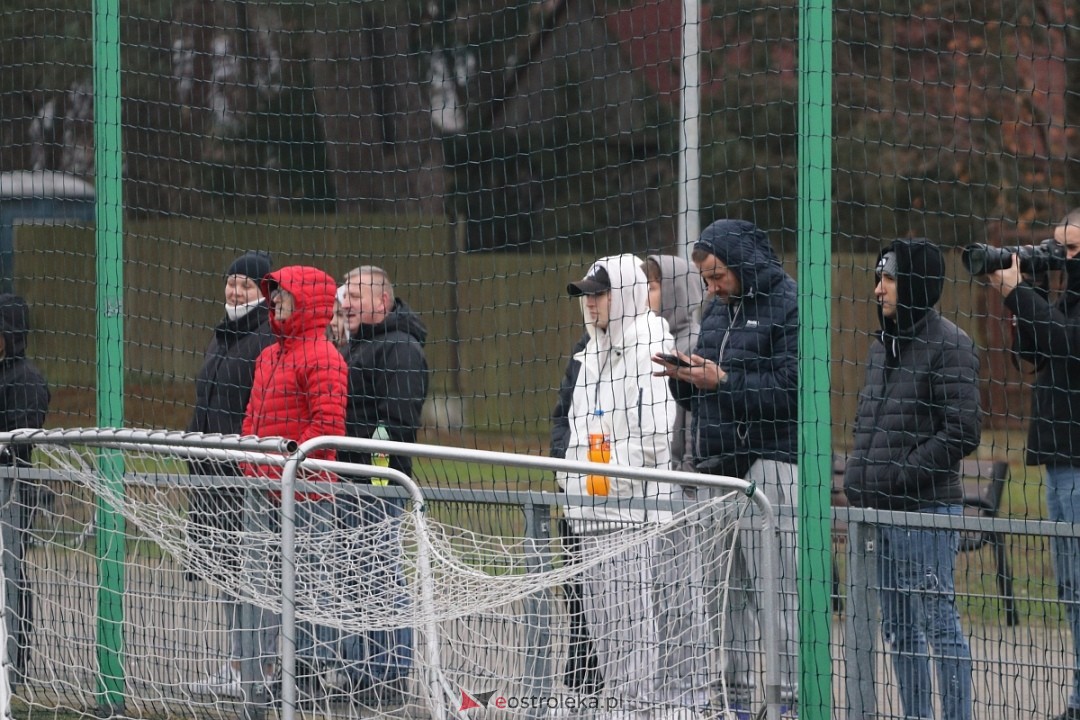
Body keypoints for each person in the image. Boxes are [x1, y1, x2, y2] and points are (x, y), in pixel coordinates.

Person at [652, 219, 799, 717]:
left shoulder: (790, 304)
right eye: (706, 279)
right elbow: (707, 391)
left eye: (717, 275)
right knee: (725, 598)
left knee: (776, 596)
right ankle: (732, 701)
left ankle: (787, 703)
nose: (712, 287)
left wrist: (725, 381)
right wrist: (683, 379)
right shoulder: (716, 310)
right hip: (717, 471)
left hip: (769, 469)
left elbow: (791, 392)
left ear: (742, 264)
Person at [845, 238, 981, 720]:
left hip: (925, 512)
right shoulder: (880, 347)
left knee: (938, 624)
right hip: (880, 513)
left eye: (888, 279)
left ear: (915, 285)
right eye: (878, 278)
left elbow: (963, 432)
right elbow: (872, 424)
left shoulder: (951, 345)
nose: (878, 289)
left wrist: (902, 474)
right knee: (899, 630)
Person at [557, 254, 684, 717]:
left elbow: (656, 439)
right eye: (586, 295)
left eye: (600, 294)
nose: (591, 303)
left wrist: (606, 478)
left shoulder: (651, 347)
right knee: (604, 635)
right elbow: (575, 431)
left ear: (627, 294)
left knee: (634, 635)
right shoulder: (589, 354)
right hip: (590, 515)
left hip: (632, 519)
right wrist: (572, 480)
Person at [987, 209, 1080, 720]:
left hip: (1076, 464)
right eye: (1058, 247)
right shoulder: (1069, 297)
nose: (1062, 257)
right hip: (1060, 462)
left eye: (1072, 250)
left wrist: (1019, 293)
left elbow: (1068, 345)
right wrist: (1031, 290)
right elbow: (1035, 354)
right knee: (1071, 588)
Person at [241, 264, 348, 697]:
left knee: (307, 584)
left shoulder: (324, 356)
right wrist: (250, 461)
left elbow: (327, 428)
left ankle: (306, 673)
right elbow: (252, 416)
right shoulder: (268, 355)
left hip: (305, 494)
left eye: (283, 294)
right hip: (263, 491)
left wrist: (284, 468)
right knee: (264, 585)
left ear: (307, 301)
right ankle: (269, 670)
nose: (275, 300)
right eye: (274, 294)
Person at [332, 265, 430, 706]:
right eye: (345, 294)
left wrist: (363, 462)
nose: (346, 302)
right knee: (352, 581)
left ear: (382, 301)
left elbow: (397, 423)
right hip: (345, 485)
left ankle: (387, 676)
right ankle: (358, 673)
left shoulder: (401, 349)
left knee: (380, 579)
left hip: (375, 487)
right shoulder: (354, 346)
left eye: (355, 295)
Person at [186, 251, 276, 697]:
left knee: (257, 577)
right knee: (228, 575)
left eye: (246, 285)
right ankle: (237, 662)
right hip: (212, 481)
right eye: (232, 282)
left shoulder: (266, 338)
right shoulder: (222, 336)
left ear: (264, 291)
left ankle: (259, 667)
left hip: (247, 480)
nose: (236, 291)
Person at [0, 294, 50, 687]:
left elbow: (22, 433)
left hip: (13, 492)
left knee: (10, 572)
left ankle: (14, 662)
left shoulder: (28, 379)